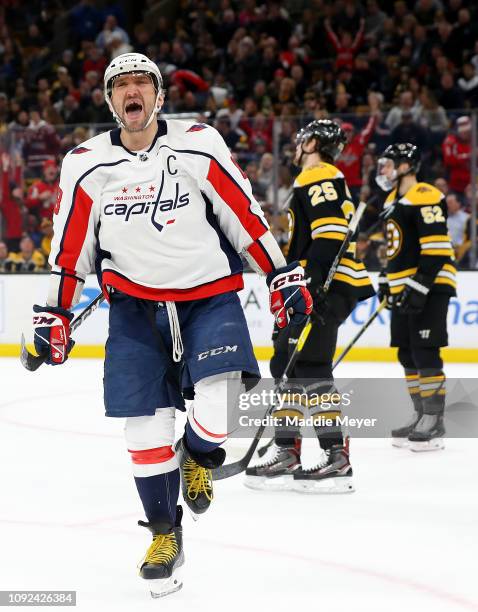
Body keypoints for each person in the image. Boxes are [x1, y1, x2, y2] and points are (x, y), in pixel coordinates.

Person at [30, 52, 311, 598]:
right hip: (136, 309)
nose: (131, 92)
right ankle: (164, 534)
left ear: (159, 96)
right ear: (110, 101)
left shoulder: (199, 144)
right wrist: (53, 311)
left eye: (142, 83)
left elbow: (243, 214)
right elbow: (70, 249)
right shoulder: (84, 163)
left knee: (221, 400)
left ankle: (199, 456)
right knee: (142, 429)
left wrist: (280, 274)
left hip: (208, 296)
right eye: (121, 86)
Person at [245, 119, 375, 493]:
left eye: (303, 140)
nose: (297, 146)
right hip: (313, 284)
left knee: (312, 363)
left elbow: (330, 234)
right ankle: (287, 449)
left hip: (325, 286)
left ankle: (337, 455)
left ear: (314, 143)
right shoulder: (314, 178)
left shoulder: (318, 173)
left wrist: (312, 285)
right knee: (289, 364)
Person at [375, 143, 456, 452]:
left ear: (407, 165)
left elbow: (436, 248)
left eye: (388, 164)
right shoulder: (392, 199)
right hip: (404, 287)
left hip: (431, 285)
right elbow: (396, 250)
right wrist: (386, 278)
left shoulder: (425, 194)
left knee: (425, 351)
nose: (383, 170)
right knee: (406, 353)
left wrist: (420, 284)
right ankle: (420, 413)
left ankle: (435, 419)